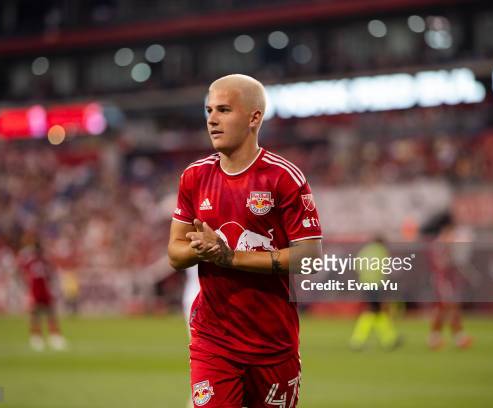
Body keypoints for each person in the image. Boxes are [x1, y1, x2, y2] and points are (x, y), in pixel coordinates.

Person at [168, 74, 322, 407]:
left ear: (254, 118)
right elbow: (175, 253)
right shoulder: (194, 176)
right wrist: (202, 249)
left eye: (224, 110)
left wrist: (230, 257)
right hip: (214, 339)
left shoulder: (284, 178)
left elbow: (310, 257)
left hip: (273, 343)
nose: (211, 119)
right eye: (209, 110)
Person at [424, 212, 473, 350]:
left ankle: (436, 337)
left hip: (447, 280)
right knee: (450, 307)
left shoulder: (443, 243)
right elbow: (441, 263)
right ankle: (458, 337)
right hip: (442, 280)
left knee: (445, 308)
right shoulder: (440, 244)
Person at [349, 237, 401, 351]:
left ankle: (388, 339)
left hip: (365, 283)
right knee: (373, 311)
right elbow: (386, 269)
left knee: (376, 311)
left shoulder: (365, 250)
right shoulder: (381, 251)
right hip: (376, 284)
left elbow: (357, 266)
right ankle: (358, 340)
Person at [18, 239, 68, 351]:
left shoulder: (42, 262)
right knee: (37, 315)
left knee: (49, 314)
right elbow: (22, 273)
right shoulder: (35, 262)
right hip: (37, 292)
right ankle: (37, 337)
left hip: (44, 291)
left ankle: (53, 337)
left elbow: (51, 275)